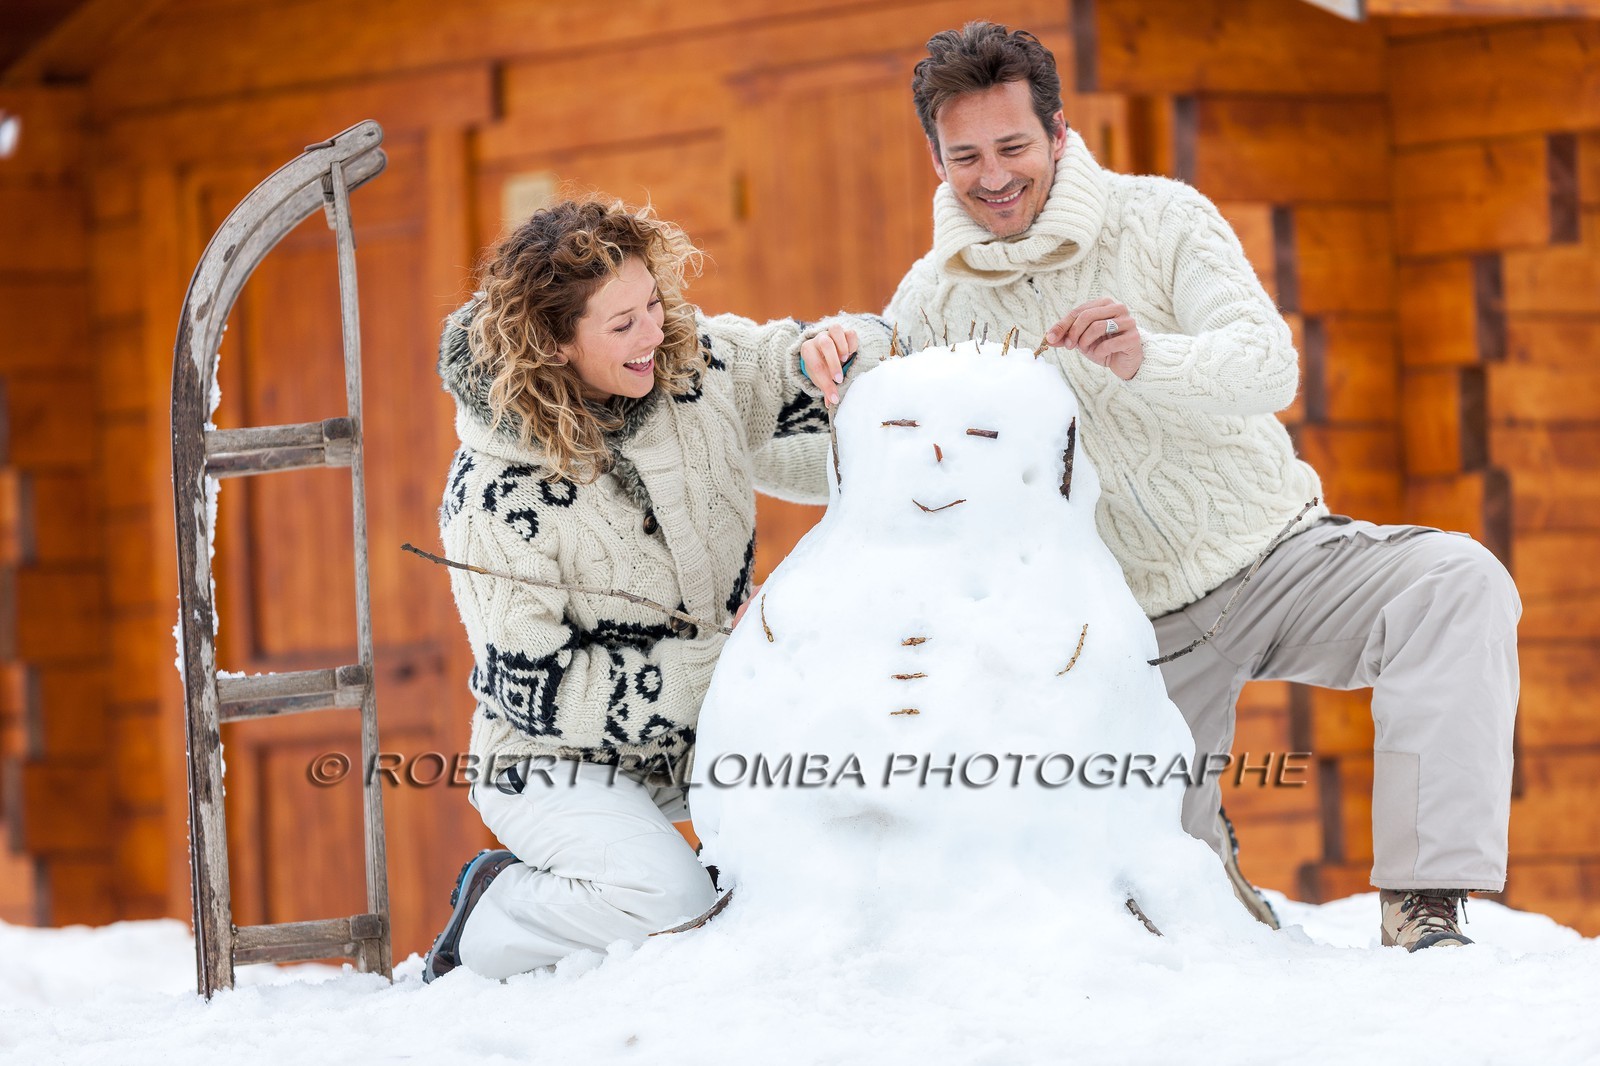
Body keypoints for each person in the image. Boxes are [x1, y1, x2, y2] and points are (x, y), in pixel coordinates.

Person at [885, 21, 1520, 951]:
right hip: (1128, 633)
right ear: (935, 159)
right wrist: (789, 385)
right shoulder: (930, 302)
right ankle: (1221, 895)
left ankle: (1423, 905)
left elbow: (1269, 365)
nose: (993, 177)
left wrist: (1149, 357)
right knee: (1165, 923)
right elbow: (861, 462)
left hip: (1278, 558)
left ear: (1057, 134)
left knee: (1456, 584)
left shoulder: (1162, 218)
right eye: (967, 156)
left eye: (1013, 147)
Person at [422, 198, 878, 981]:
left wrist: (839, 348)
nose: (654, 334)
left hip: (703, 737)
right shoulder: (493, 496)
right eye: (622, 324)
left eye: (653, 305)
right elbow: (536, 691)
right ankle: (491, 912)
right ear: (554, 344)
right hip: (555, 759)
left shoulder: (695, 368)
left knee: (859, 805)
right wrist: (729, 660)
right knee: (670, 900)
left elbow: (810, 367)